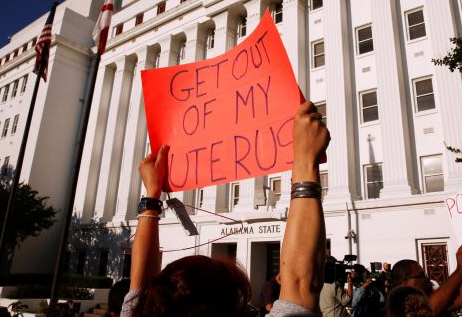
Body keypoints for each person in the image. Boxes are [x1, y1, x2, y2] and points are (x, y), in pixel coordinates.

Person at [122, 101, 330, 317]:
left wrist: (152, 195)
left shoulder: (143, 310)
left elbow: (301, 286)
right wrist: (306, 159)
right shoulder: (140, 309)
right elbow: (301, 283)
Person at [390, 242, 462, 316]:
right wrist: (461, 269)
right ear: (404, 281)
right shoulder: (398, 307)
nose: (426, 279)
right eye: (421, 276)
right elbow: (431, 308)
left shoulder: (430, 297)